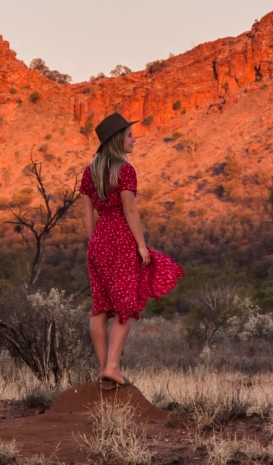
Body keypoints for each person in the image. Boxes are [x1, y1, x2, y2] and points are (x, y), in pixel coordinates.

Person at [80, 111, 184, 388]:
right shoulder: (125, 170)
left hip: (98, 240)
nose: (133, 139)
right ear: (117, 140)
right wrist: (140, 244)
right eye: (129, 135)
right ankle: (113, 367)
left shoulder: (89, 173)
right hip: (122, 239)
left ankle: (104, 369)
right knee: (125, 306)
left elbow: (87, 217)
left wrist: (94, 245)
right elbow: (129, 210)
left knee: (100, 307)